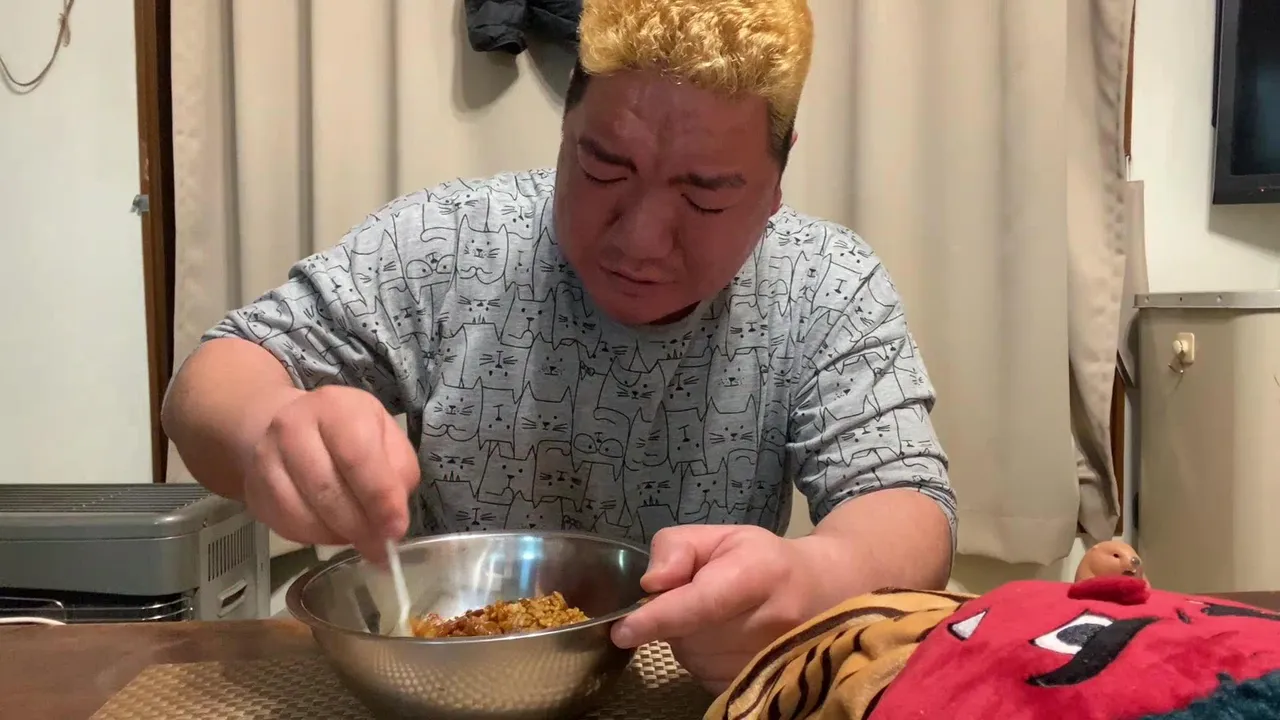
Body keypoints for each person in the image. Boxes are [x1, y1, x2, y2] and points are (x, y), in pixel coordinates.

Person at [162, 0, 956, 692]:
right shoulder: (447, 242)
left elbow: (907, 502)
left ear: (775, 187)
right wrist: (270, 431)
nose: (642, 240)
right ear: (567, 129)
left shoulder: (826, 282)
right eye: (604, 167)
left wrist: (817, 578)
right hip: (447, 681)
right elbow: (210, 382)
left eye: (705, 196)